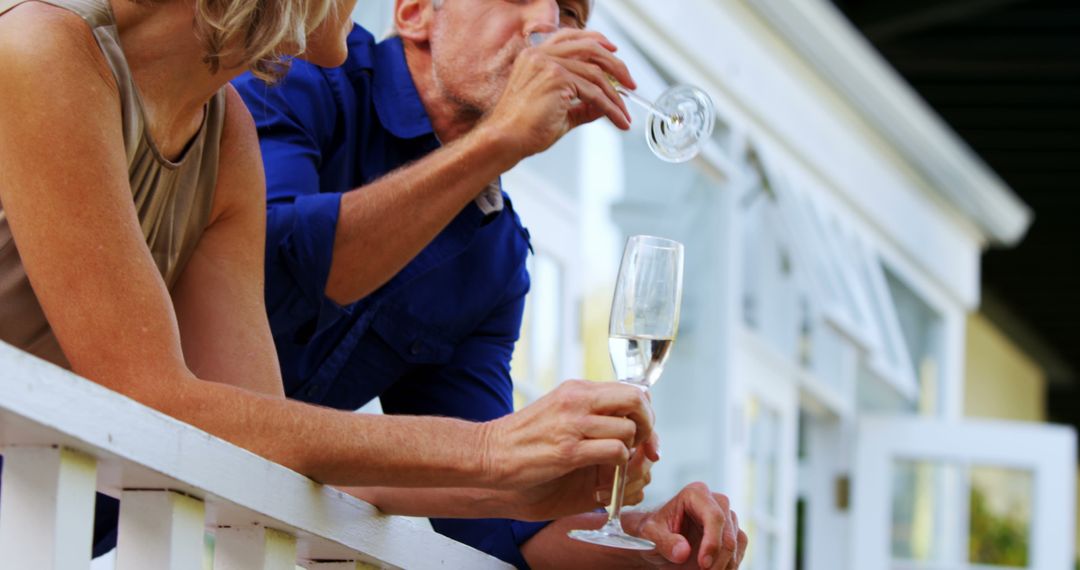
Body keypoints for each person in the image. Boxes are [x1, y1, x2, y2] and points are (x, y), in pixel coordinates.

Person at [0, 0, 659, 558]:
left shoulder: (224, 131)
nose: (548, 20)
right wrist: (486, 454)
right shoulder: (44, 47)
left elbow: (269, 441)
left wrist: (532, 482)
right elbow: (156, 395)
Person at [233, 0, 748, 567]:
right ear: (414, 13)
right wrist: (500, 139)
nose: (547, 24)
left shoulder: (494, 255)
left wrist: (645, 536)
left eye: (572, 13)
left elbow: (489, 519)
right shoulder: (297, 69)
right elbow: (271, 272)